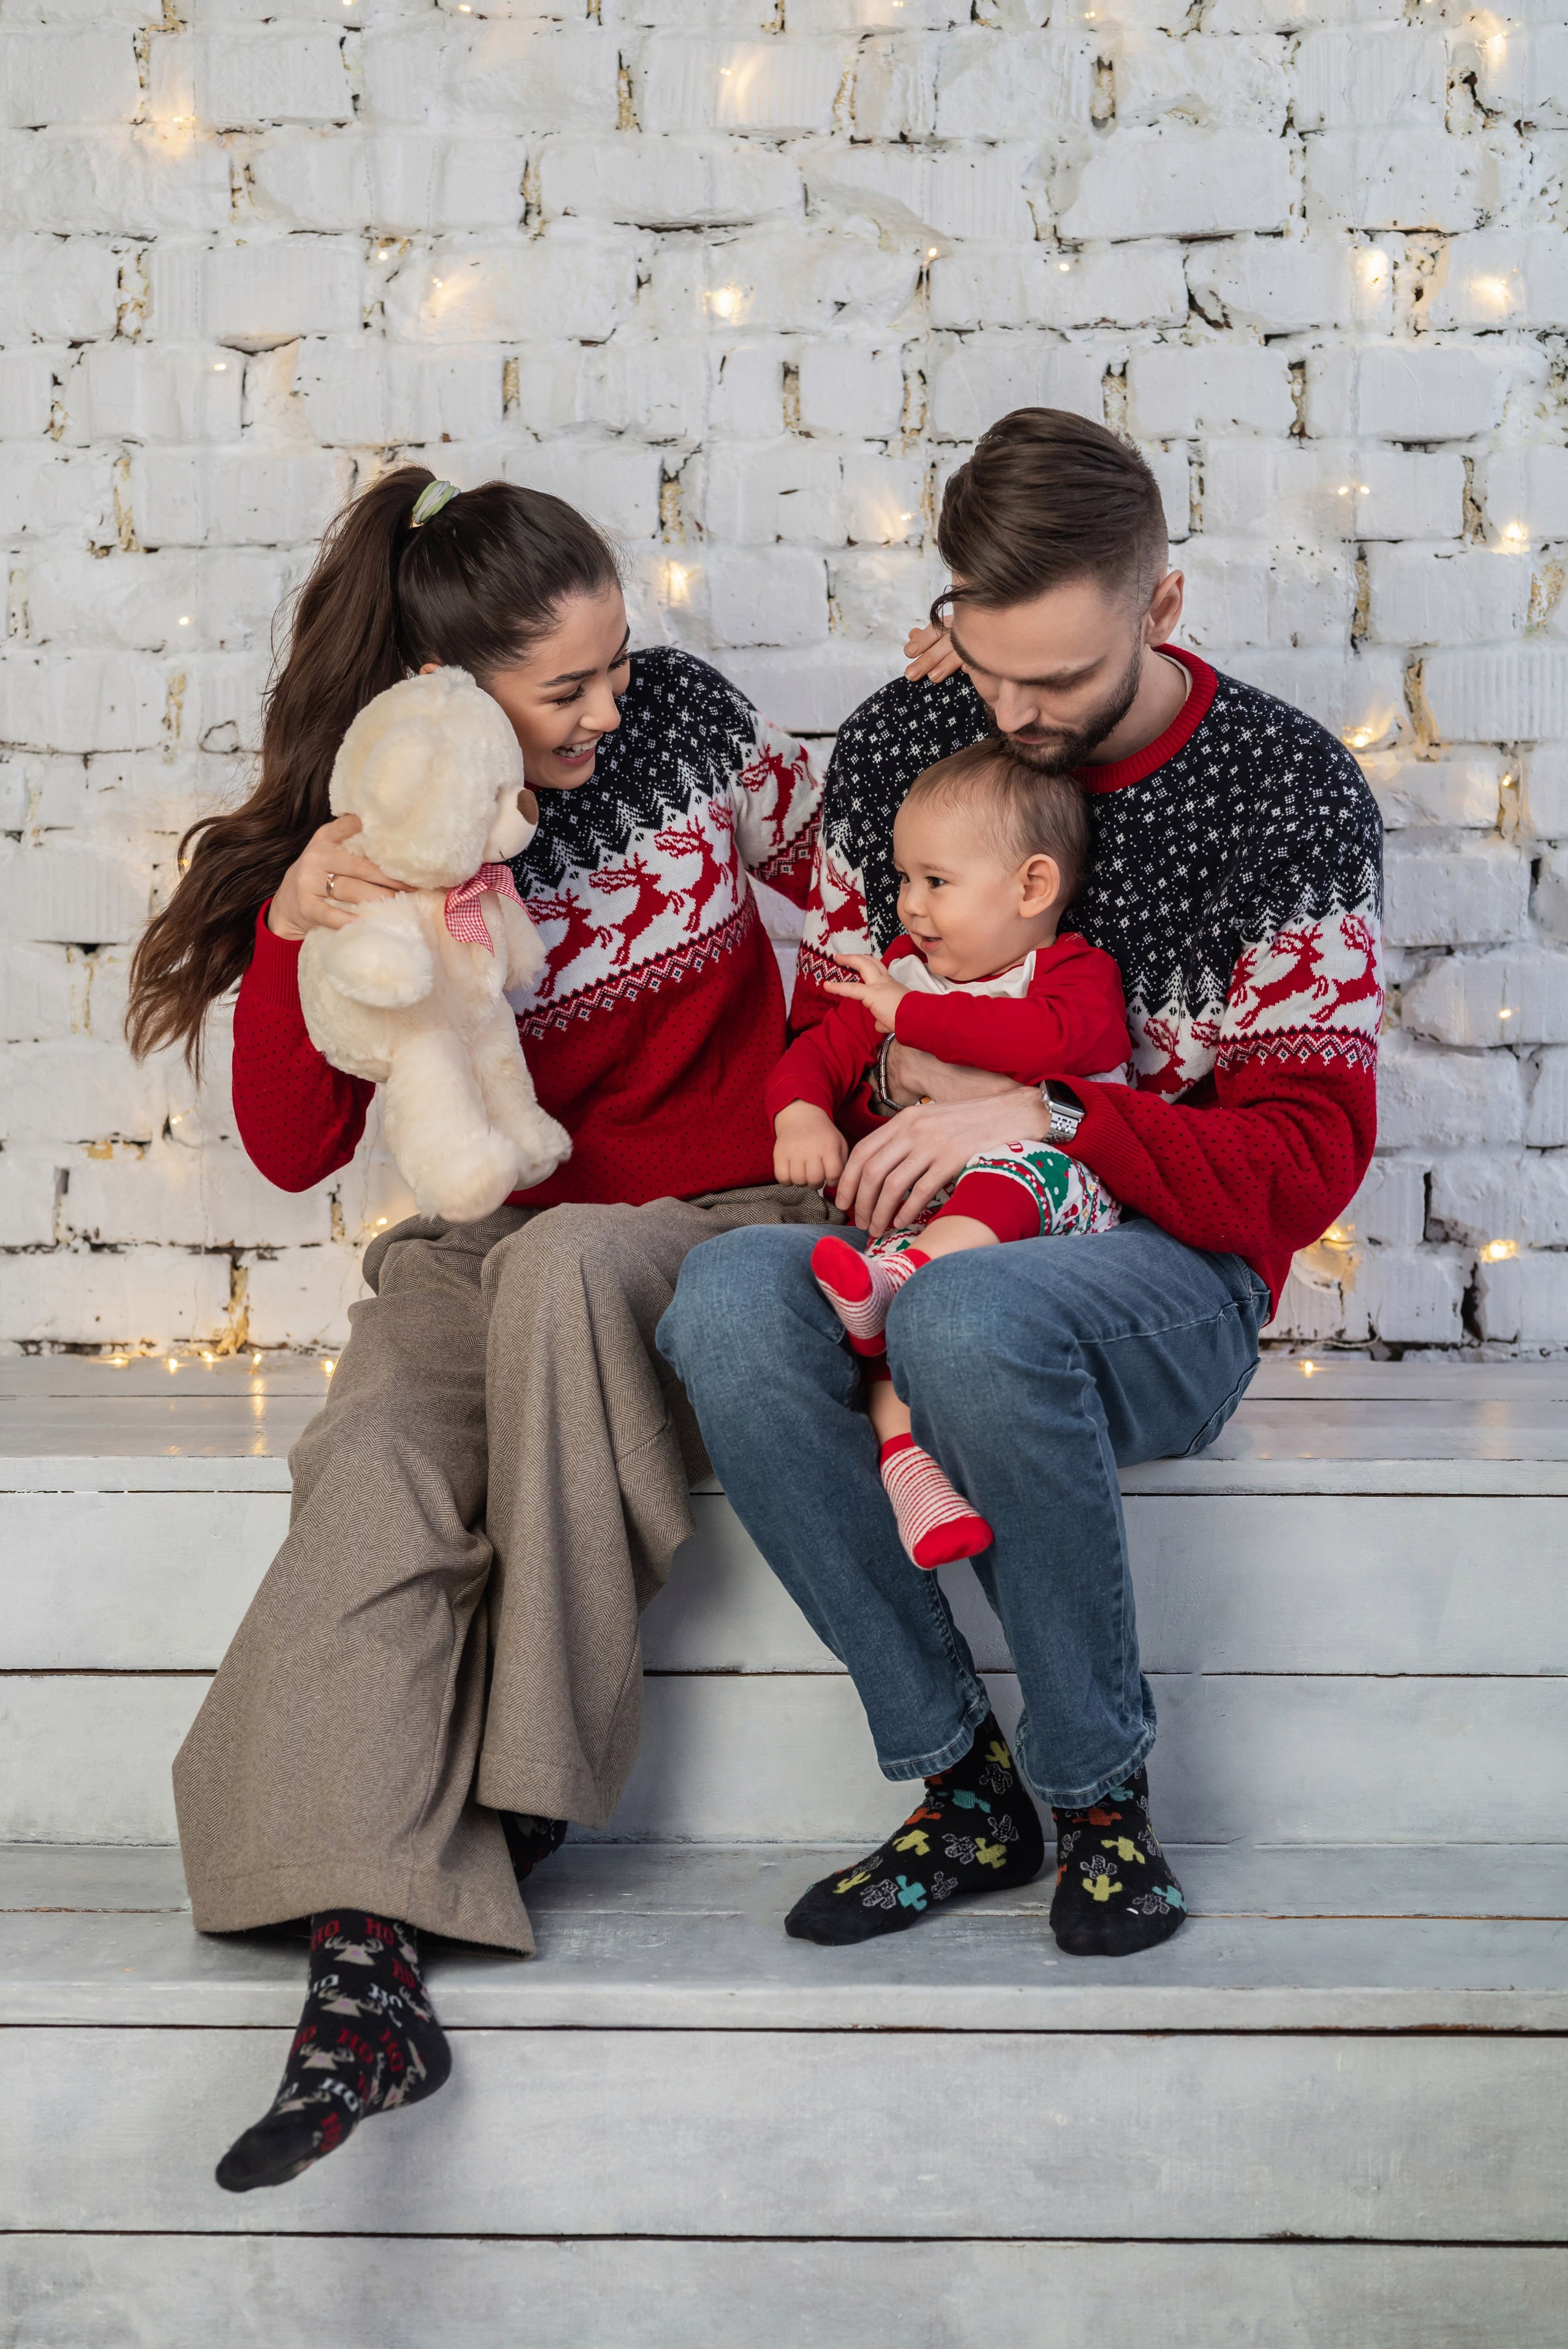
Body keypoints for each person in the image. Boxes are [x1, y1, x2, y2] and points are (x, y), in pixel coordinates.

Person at [125, 466, 826, 2190]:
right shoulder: (392, 838)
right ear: (447, 696)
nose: (609, 708)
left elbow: (862, 864)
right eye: (564, 689)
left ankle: (512, 1805)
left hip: (713, 1212)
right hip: (487, 1235)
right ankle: (365, 1986)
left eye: (613, 668)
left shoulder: (686, 730)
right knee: (373, 1450)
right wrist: (297, 926)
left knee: (574, 1275)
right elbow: (297, 1149)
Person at [659, 406, 1382, 1962]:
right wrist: (847, 1094)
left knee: (975, 1321)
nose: (1011, 709)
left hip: (1166, 1276)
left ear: (1163, 607)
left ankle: (1097, 1799)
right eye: (981, 663)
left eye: (1056, 677)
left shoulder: (1286, 798)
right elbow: (842, 1016)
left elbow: (1298, 1168)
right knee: (723, 1302)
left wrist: (1041, 1111)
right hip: (925, 1241)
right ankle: (954, 1786)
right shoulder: (905, 742)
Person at [769, 738, 1131, 1570]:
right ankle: (911, 1475)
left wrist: (907, 1017)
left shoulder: (1070, 975)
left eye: (936, 882)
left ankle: (902, 1278)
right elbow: (815, 1054)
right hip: (939, 1230)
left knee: (1016, 1170)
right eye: (902, 879)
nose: (910, 907)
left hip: (1058, 1213)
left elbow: (1043, 1046)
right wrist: (802, 1116)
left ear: (1032, 887)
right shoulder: (904, 977)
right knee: (886, 1282)